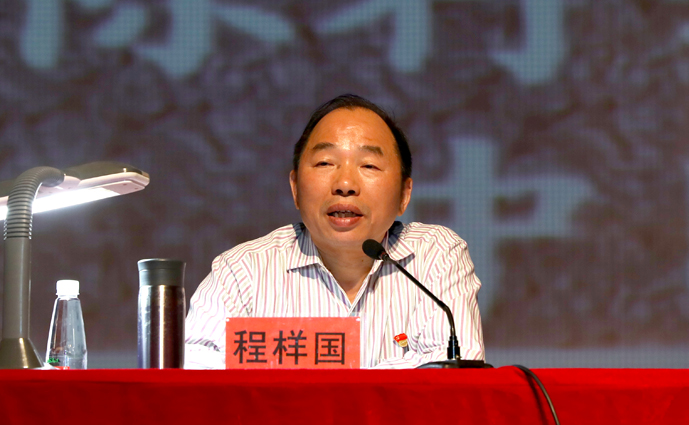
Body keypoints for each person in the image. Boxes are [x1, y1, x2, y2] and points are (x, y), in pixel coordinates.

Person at [184, 94, 484, 369]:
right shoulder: (242, 271)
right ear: (295, 188)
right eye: (325, 162)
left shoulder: (435, 256)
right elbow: (193, 371)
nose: (345, 184)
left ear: (404, 195)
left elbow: (453, 373)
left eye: (369, 165)